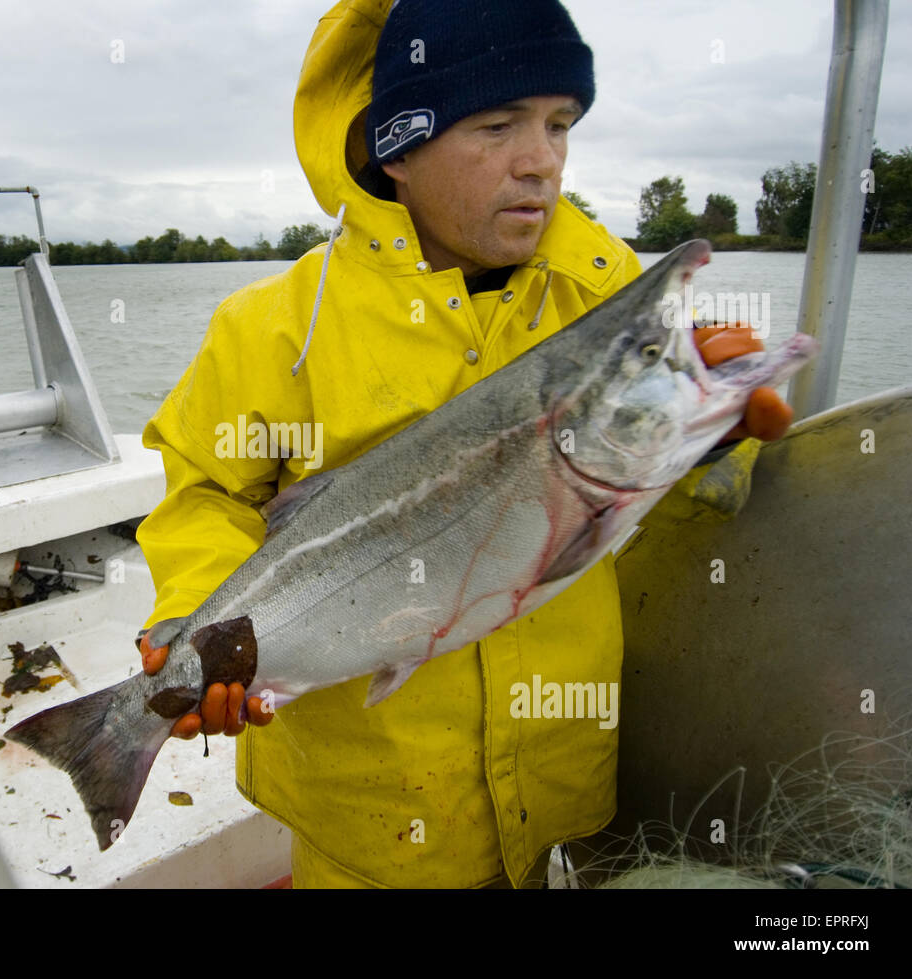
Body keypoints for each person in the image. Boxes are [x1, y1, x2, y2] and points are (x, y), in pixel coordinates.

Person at [133, 0, 792, 888]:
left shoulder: (600, 290)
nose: (541, 160)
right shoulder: (274, 325)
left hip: (557, 768)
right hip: (364, 795)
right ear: (399, 149)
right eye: (496, 125)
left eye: (561, 123)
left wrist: (711, 441)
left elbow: (639, 487)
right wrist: (197, 624)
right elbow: (203, 495)